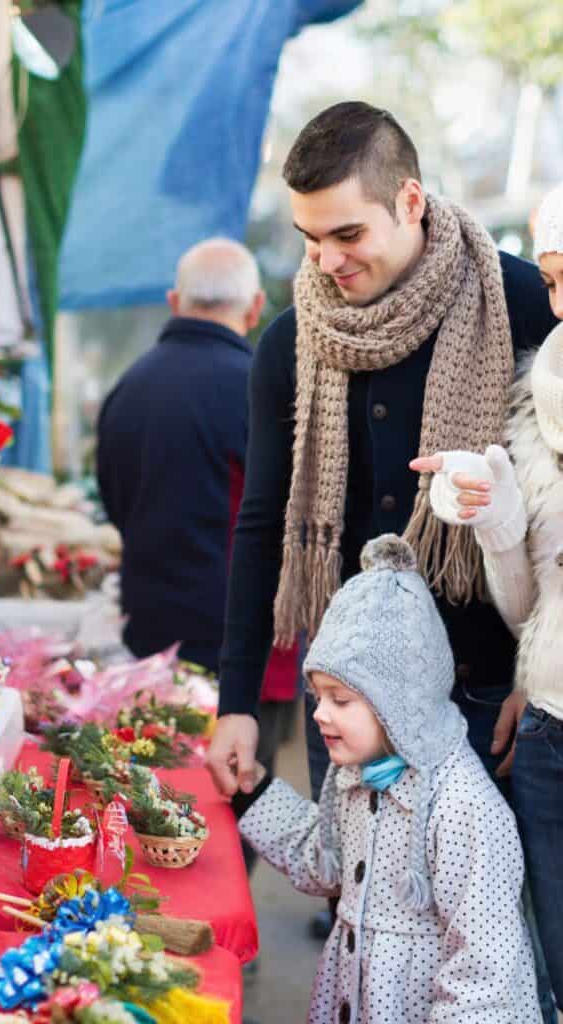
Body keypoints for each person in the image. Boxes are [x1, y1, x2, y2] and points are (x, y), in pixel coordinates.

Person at [208, 101, 557, 798]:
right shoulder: (288, 343)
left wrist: (542, 686)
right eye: (311, 239)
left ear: (410, 201)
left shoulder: (525, 302)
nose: (328, 261)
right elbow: (263, 524)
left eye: (347, 233)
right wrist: (237, 702)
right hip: (348, 699)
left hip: (486, 696)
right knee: (356, 899)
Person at [234, 535, 542, 1024]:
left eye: (341, 699)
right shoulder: (359, 775)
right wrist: (250, 795)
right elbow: (324, 858)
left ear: (399, 699)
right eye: (317, 697)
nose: (319, 715)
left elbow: (484, 974)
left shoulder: (464, 808)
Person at [409, 181, 563, 1008]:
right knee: (545, 971)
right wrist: (496, 507)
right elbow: (531, 597)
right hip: (547, 727)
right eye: (554, 279)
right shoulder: (534, 401)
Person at [97, 237, 265, 673]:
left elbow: (114, 500)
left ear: (174, 302)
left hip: (147, 628)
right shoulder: (259, 388)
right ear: (256, 307)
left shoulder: (129, 385)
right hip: (236, 639)